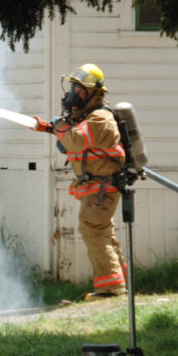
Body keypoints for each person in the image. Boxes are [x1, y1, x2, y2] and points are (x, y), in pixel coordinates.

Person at [33, 63, 127, 300]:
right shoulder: (87, 117)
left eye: (81, 90)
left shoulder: (101, 119)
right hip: (97, 187)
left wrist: (59, 126)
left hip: (103, 187)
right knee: (102, 232)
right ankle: (122, 283)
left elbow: (75, 140)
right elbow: (71, 140)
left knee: (93, 230)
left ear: (95, 93)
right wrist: (52, 128)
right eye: (74, 87)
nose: (74, 94)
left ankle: (111, 290)